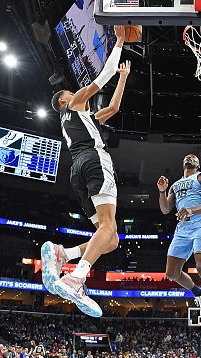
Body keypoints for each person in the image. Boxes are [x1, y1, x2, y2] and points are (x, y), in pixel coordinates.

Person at [42, 25, 134, 318]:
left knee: (111, 238)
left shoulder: (80, 119)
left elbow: (114, 108)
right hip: (94, 160)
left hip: (77, 169)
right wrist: (119, 41)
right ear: (63, 101)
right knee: (108, 227)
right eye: (70, 92)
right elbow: (101, 76)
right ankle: (76, 277)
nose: (75, 92)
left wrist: (124, 78)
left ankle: (63, 254)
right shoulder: (76, 103)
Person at [157, 154, 201, 342]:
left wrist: (192, 210)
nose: (190, 157)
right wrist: (162, 192)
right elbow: (165, 209)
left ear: (197, 164)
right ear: (183, 163)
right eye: (188, 156)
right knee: (171, 273)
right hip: (182, 228)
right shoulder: (175, 185)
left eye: (194, 157)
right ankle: (199, 293)